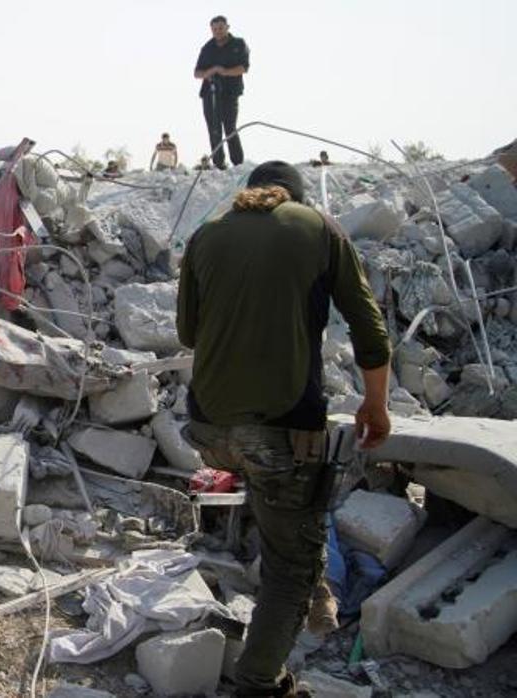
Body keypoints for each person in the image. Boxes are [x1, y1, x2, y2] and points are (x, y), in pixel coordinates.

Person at [176, 161, 392, 697]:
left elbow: (186, 333)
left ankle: (309, 584)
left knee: (284, 516)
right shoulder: (319, 228)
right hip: (282, 431)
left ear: (249, 195)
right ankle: (259, 683)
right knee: (290, 566)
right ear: (292, 198)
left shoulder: (207, 234)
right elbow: (369, 328)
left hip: (208, 430)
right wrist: (376, 406)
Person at [194, 15, 249, 169]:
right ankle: (219, 163)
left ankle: (238, 163)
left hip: (230, 93)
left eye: (220, 28)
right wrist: (211, 71)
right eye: (215, 29)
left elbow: (243, 68)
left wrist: (224, 71)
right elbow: (197, 73)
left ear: (227, 27)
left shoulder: (238, 44)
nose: (217, 31)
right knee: (214, 128)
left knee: (230, 126)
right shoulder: (207, 48)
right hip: (209, 93)